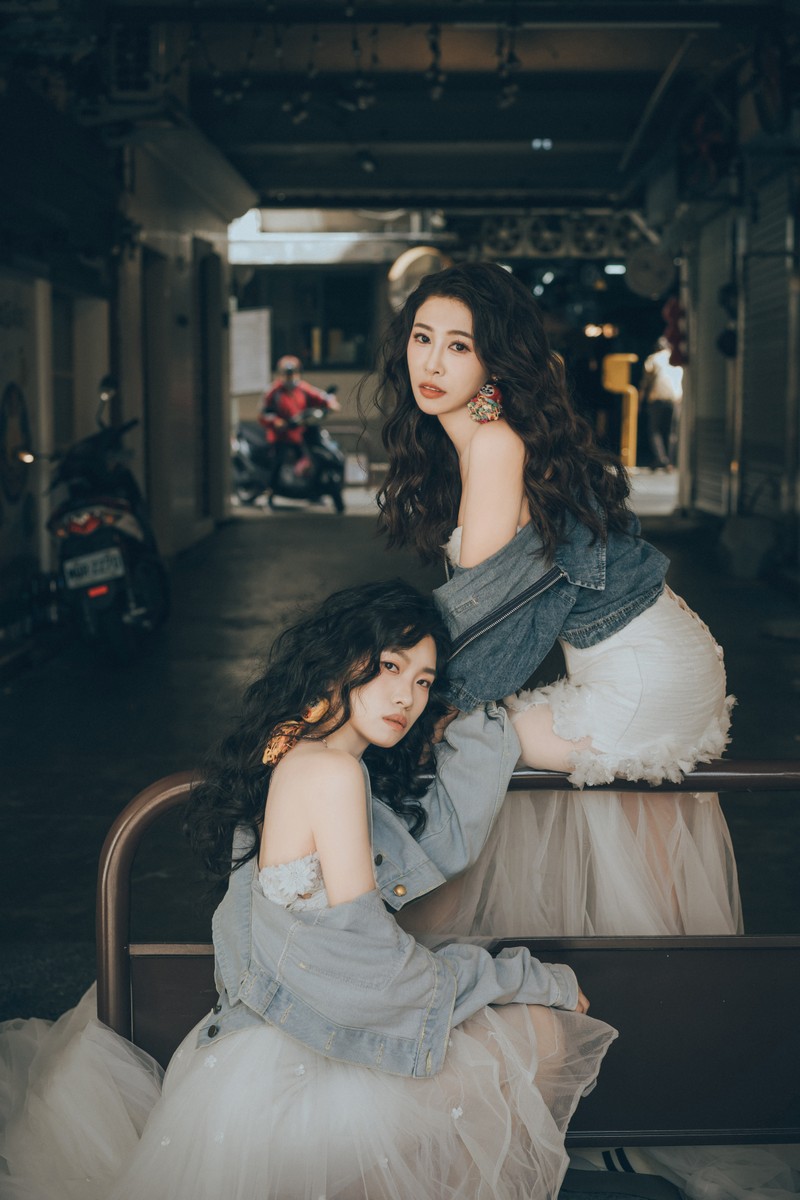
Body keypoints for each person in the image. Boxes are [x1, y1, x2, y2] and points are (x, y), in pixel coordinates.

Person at [0, 580, 615, 1200]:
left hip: (260, 1055)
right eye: (390, 666)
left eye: (425, 681)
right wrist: (522, 977)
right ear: (341, 660)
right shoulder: (331, 771)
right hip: (295, 1073)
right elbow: (373, 969)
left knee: (521, 1042)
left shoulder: (293, 750)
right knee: (543, 1037)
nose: (406, 696)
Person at [374, 261, 741, 941]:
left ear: (496, 359)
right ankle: (675, 980)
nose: (433, 361)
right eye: (423, 338)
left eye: (460, 345)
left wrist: (407, 696)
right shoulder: (484, 442)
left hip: (640, 676)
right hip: (663, 658)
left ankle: (414, 946)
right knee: (645, 865)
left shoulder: (494, 444)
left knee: (460, 750)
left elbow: (484, 618)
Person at [260, 354, 341, 486]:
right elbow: (264, 414)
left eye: (292, 373)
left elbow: (321, 397)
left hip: (301, 434)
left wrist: (331, 403)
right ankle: (271, 488)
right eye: (286, 373)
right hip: (281, 435)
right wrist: (276, 421)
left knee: (309, 459)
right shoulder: (273, 392)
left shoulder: (302, 388)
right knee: (278, 461)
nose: (290, 377)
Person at [640, 337, 682, 470]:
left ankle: (661, 458)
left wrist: (640, 400)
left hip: (657, 398)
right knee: (672, 431)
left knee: (654, 430)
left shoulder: (653, 359)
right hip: (675, 398)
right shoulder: (676, 359)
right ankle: (670, 462)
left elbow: (645, 381)